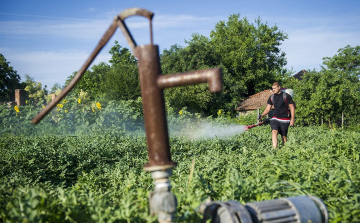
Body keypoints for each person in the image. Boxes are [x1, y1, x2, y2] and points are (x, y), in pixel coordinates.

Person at [258, 82, 295, 148]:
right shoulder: (272, 97)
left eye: (275, 88)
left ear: (279, 87)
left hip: (285, 119)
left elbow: (292, 107)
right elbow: (267, 108)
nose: (273, 90)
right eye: (272, 88)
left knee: (284, 138)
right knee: (274, 131)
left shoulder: (286, 96)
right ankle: (274, 150)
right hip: (275, 118)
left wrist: (292, 119)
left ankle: (284, 151)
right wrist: (262, 115)